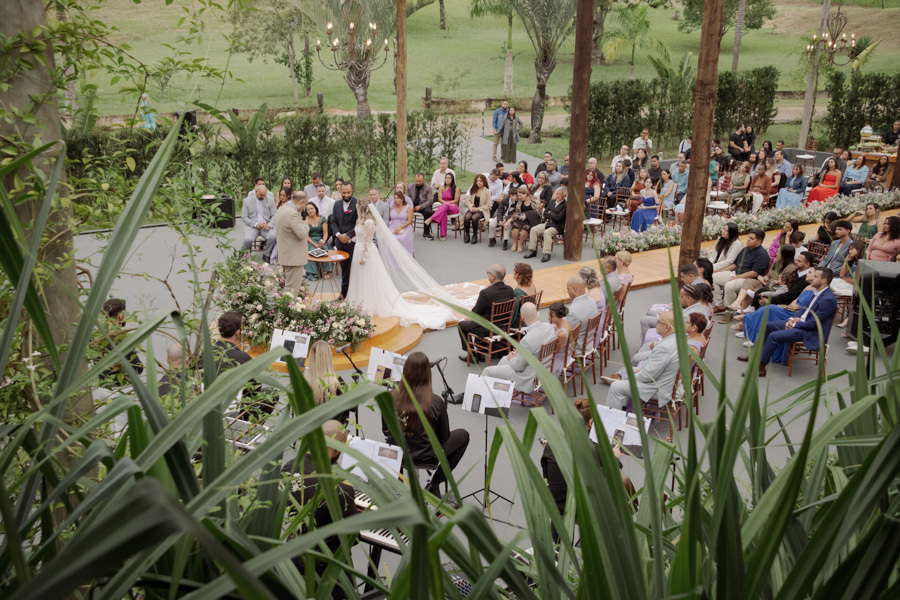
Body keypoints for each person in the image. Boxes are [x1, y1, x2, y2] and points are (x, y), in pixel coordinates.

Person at [345, 197, 453, 330]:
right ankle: (358, 301)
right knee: (359, 278)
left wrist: (364, 257)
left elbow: (368, 240)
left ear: (360, 206)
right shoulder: (360, 220)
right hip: (358, 250)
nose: (355, 205)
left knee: (368, 278)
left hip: (365, 254)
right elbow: (360, 236)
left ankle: (368, 303)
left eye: (356, 204)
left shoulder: (368, 222)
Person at [541, 398, 633, 542]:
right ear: (591, 422)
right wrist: (614, 458)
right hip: (583, 510)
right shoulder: (596, 450)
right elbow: (615, 473)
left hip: (557, 504)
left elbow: (547, 475)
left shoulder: (551, 443)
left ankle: (559, 550)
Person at [284, 420, 357, 599]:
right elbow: (351, 535)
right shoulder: (340, 487)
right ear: (338, 449)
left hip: (292, 551)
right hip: (325, 563)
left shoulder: (290, 467)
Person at [384, 352, 469, 497]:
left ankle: (398, 485)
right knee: (463, 435)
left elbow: (385, 431)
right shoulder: (436, 402)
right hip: (427, 456)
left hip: (399, 454)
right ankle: (434, 483)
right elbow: (444, 437)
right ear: (427, 374)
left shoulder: (389, 398)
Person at [739, 268, 837, 378]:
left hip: (810, 332)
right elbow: (804, 311)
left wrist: (795, 324)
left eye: (815, 276)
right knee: (767, 326)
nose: (812, 279)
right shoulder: (818, 293)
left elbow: (814, 324)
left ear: (824, 280)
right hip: (802, 324)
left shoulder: (827, 300)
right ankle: (755, 356)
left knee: (773, 336)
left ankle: (760, 369)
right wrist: (793, 320)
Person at [604, 311, 679, 410]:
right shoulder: (675, 340)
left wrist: (634, 375)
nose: (656, 323)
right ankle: (625, 408)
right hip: (661, 380)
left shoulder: (664, 348)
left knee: (616, 387)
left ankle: (610, 421)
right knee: (628, 370)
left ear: (667, 328)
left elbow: (648, 376)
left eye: (659, 322)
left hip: (655, 388)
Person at [482, 302, 556, 392]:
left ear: (522, 316)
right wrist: (520, 354)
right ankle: (500, 392)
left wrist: (511, 359)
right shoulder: (548, 327)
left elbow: (518, 367)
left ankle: (483, 395)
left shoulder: (526, 341)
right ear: (537, 312)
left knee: (487, 371)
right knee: (503, 360)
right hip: (543, 368)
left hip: (528, 375)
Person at [202, 310, 266, 411]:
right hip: (232, 408)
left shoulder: (205, 354)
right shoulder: (243, 358)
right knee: (269, 394)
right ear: (237, 332)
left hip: (204, 405)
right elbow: (255, 388)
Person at [458, 264, 515, 363]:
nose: (487, 275)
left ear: (493, 277)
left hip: (488, 329)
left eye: (488, 273)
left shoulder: (486, 293)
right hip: (502, 326)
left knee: (461, 324)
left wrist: (468, 318)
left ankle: (471, 355)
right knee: (483, 319)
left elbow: (476, 313)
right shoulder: (509, 290)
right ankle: (480, 353)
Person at [711, 228, 769, 312]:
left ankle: (728, 313)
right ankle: (719, 306)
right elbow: (734, 265)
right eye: (748, 237)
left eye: (751, 238)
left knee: (729, 286)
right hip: (735, 274)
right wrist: (719, 271)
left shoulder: (762, 254)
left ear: (759, 242)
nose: (748, 240)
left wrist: (737, 277)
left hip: (748, 280)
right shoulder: (746, 249)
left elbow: (755, 273)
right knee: (711, 277)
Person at [98, 298, 144, 385]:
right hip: (119, 387)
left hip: (101, 387)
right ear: (120, 316)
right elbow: (138, 368)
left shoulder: (95, 336)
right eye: (125, 314)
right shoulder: (121, 340)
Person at [273, 190, 310, 296]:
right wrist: (306, 224)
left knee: (289, 288)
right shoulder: (292, 214)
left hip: (286, 254)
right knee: (292, 291)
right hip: (293, 258)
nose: (304, 208)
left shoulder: (282, 208)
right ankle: (290, 310)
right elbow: (302, 233)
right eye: (305, 204)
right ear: (301, 202)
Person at [304, 340, 348, 424]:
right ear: (328, 357)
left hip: (309, 430)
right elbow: (347, 409)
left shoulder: (303, 381)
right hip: (333, 431)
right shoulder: (337, 382)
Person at [525, 186, 567, 262]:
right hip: (548, 223)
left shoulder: (565, 205)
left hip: (557, 226)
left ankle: (547, 253)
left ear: (565, 196)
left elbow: (559, 218)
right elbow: (545, 213)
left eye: (560, 194)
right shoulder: (552, 201)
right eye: (557, 194)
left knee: (547, 232)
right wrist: (552, 214)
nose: (558, 196)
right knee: (534, 229)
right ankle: (532, 251)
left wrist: (550, 213)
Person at [241, 184, 277, 260]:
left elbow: (275, 215)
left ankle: (266, 254)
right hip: (252, 226)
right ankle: (245, 256)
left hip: (265, 226)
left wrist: (269, 225)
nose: (263, 197)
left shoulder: (270, 200)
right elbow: (244, 217)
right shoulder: (247, 201)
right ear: (256, 192)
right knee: (247, 239)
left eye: (264, 195)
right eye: (261, 195)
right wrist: (255, 224)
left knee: (273, 236)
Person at [565, 276, 599, 353]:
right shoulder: (592, 301)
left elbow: (566, 333)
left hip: (579, 347)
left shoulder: (573, 311)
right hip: (590, 341)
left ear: (574, 289)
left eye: (568, 289)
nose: (567, 292)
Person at [424, 172, 460, 242]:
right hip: (444, 207)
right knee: (444, 213)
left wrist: (447, 204)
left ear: (452, 179)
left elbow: (456, 200)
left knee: (445, 205)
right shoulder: (441, 187)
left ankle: (431, 219)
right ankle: (443, 235)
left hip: (454, 207)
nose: (447, 179)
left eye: (449, 178)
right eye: (446, 178)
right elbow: (440, 199)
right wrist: (446, 204)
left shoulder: (456, 188)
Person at [303, 201, 331, 281]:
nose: (310, 211)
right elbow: (306, 235)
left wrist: (323, 241)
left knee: (325, 250)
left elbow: (325, 233)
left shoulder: (322, 218)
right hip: (310, 240)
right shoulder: (306, 220)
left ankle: (327, 271)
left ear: (315, 209)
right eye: (308, 209)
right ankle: (314, 273)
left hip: (320, 239)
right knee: (311, 251)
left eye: (311, 208)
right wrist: (314, 244)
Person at [506, 186, 539, 253]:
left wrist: (526, 215)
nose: (519, 197)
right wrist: (509, 220)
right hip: (520, 217)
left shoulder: (534, 200)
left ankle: (521, 244)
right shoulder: (520, 202)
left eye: (521, 195)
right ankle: (515, 243)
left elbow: (538, 211)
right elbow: (517, 212)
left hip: (531, 218)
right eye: (518, 196)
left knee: (525, 228)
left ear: (526, 194)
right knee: (515, 226)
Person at [461, 174, 492, 245]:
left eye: (480, 181)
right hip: (472, 208)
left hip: (482, 210)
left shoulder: (487, 191)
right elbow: (468, 200)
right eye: (477, 181)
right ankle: (467, 234)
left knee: (474, 218)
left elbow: (488, 205)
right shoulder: (473, 189)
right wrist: (471, 207)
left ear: (484, 181)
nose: (478, 182)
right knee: (467, 217)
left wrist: (478, 209)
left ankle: (475, 235)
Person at [407, 172, 435, 240]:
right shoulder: (410, 186)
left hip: (423, 206)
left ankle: (426, 232)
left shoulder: (428, 188)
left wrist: (420, 207)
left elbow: (430, 201)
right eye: (417, 181)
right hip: (412, 206)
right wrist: (411, 207)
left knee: (428, 211)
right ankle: (406, 231)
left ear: (424, 180)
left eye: (420, 181)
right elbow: (406, 198)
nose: (418, 183)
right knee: (404, 211)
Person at [510, 262, 538, 328]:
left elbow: (514, 313)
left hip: (519, 322)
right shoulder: (531, 285)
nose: (513, 273)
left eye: (515, 271)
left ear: (520, 275)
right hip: (530, 316)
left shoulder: (517, 293)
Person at [389, 190, 414, 256]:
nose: (396, 200)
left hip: (404, 227)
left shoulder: (408, 208)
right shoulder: (392, 208)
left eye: (398, 198)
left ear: (402, 199)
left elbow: (409, 221)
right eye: (395, 198)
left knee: (401, 238)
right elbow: (388, 219)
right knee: (389, 238)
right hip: (392, 227)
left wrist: (400, 227)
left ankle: (404, 256)